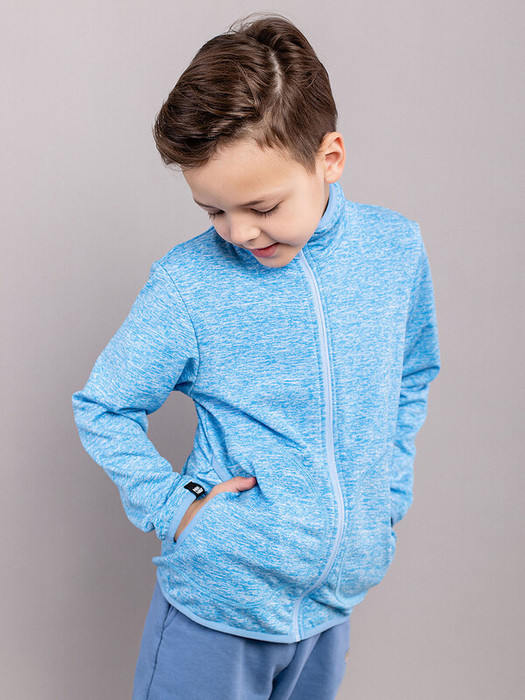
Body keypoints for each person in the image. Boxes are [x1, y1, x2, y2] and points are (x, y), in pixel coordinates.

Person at [71, 11, 441, 700]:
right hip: (217, 606)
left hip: (331, 606)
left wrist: (384, 495)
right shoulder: (188, 285)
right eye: (212, 211)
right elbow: (103, 407)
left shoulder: (394, 250)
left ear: (329, 157)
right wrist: (174, 505)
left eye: (262, 207)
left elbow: (410, 373)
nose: (239, 232)